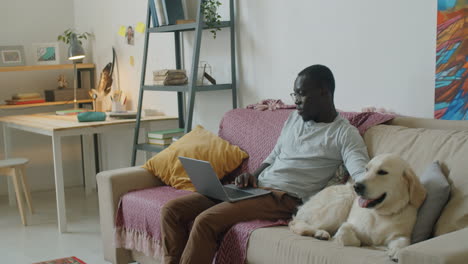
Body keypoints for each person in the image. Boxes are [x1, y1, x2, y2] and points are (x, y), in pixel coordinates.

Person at [160, 64, 370, 264]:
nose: (296, 101)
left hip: (285, 197)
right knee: (171, 210)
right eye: (294, 95)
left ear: (324, 92)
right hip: (257, 188)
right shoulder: (294, 119)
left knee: (205, 222)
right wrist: (254, 175)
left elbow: (361, 174)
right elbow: (274, 154)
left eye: (302, 94)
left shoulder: (344, 134)